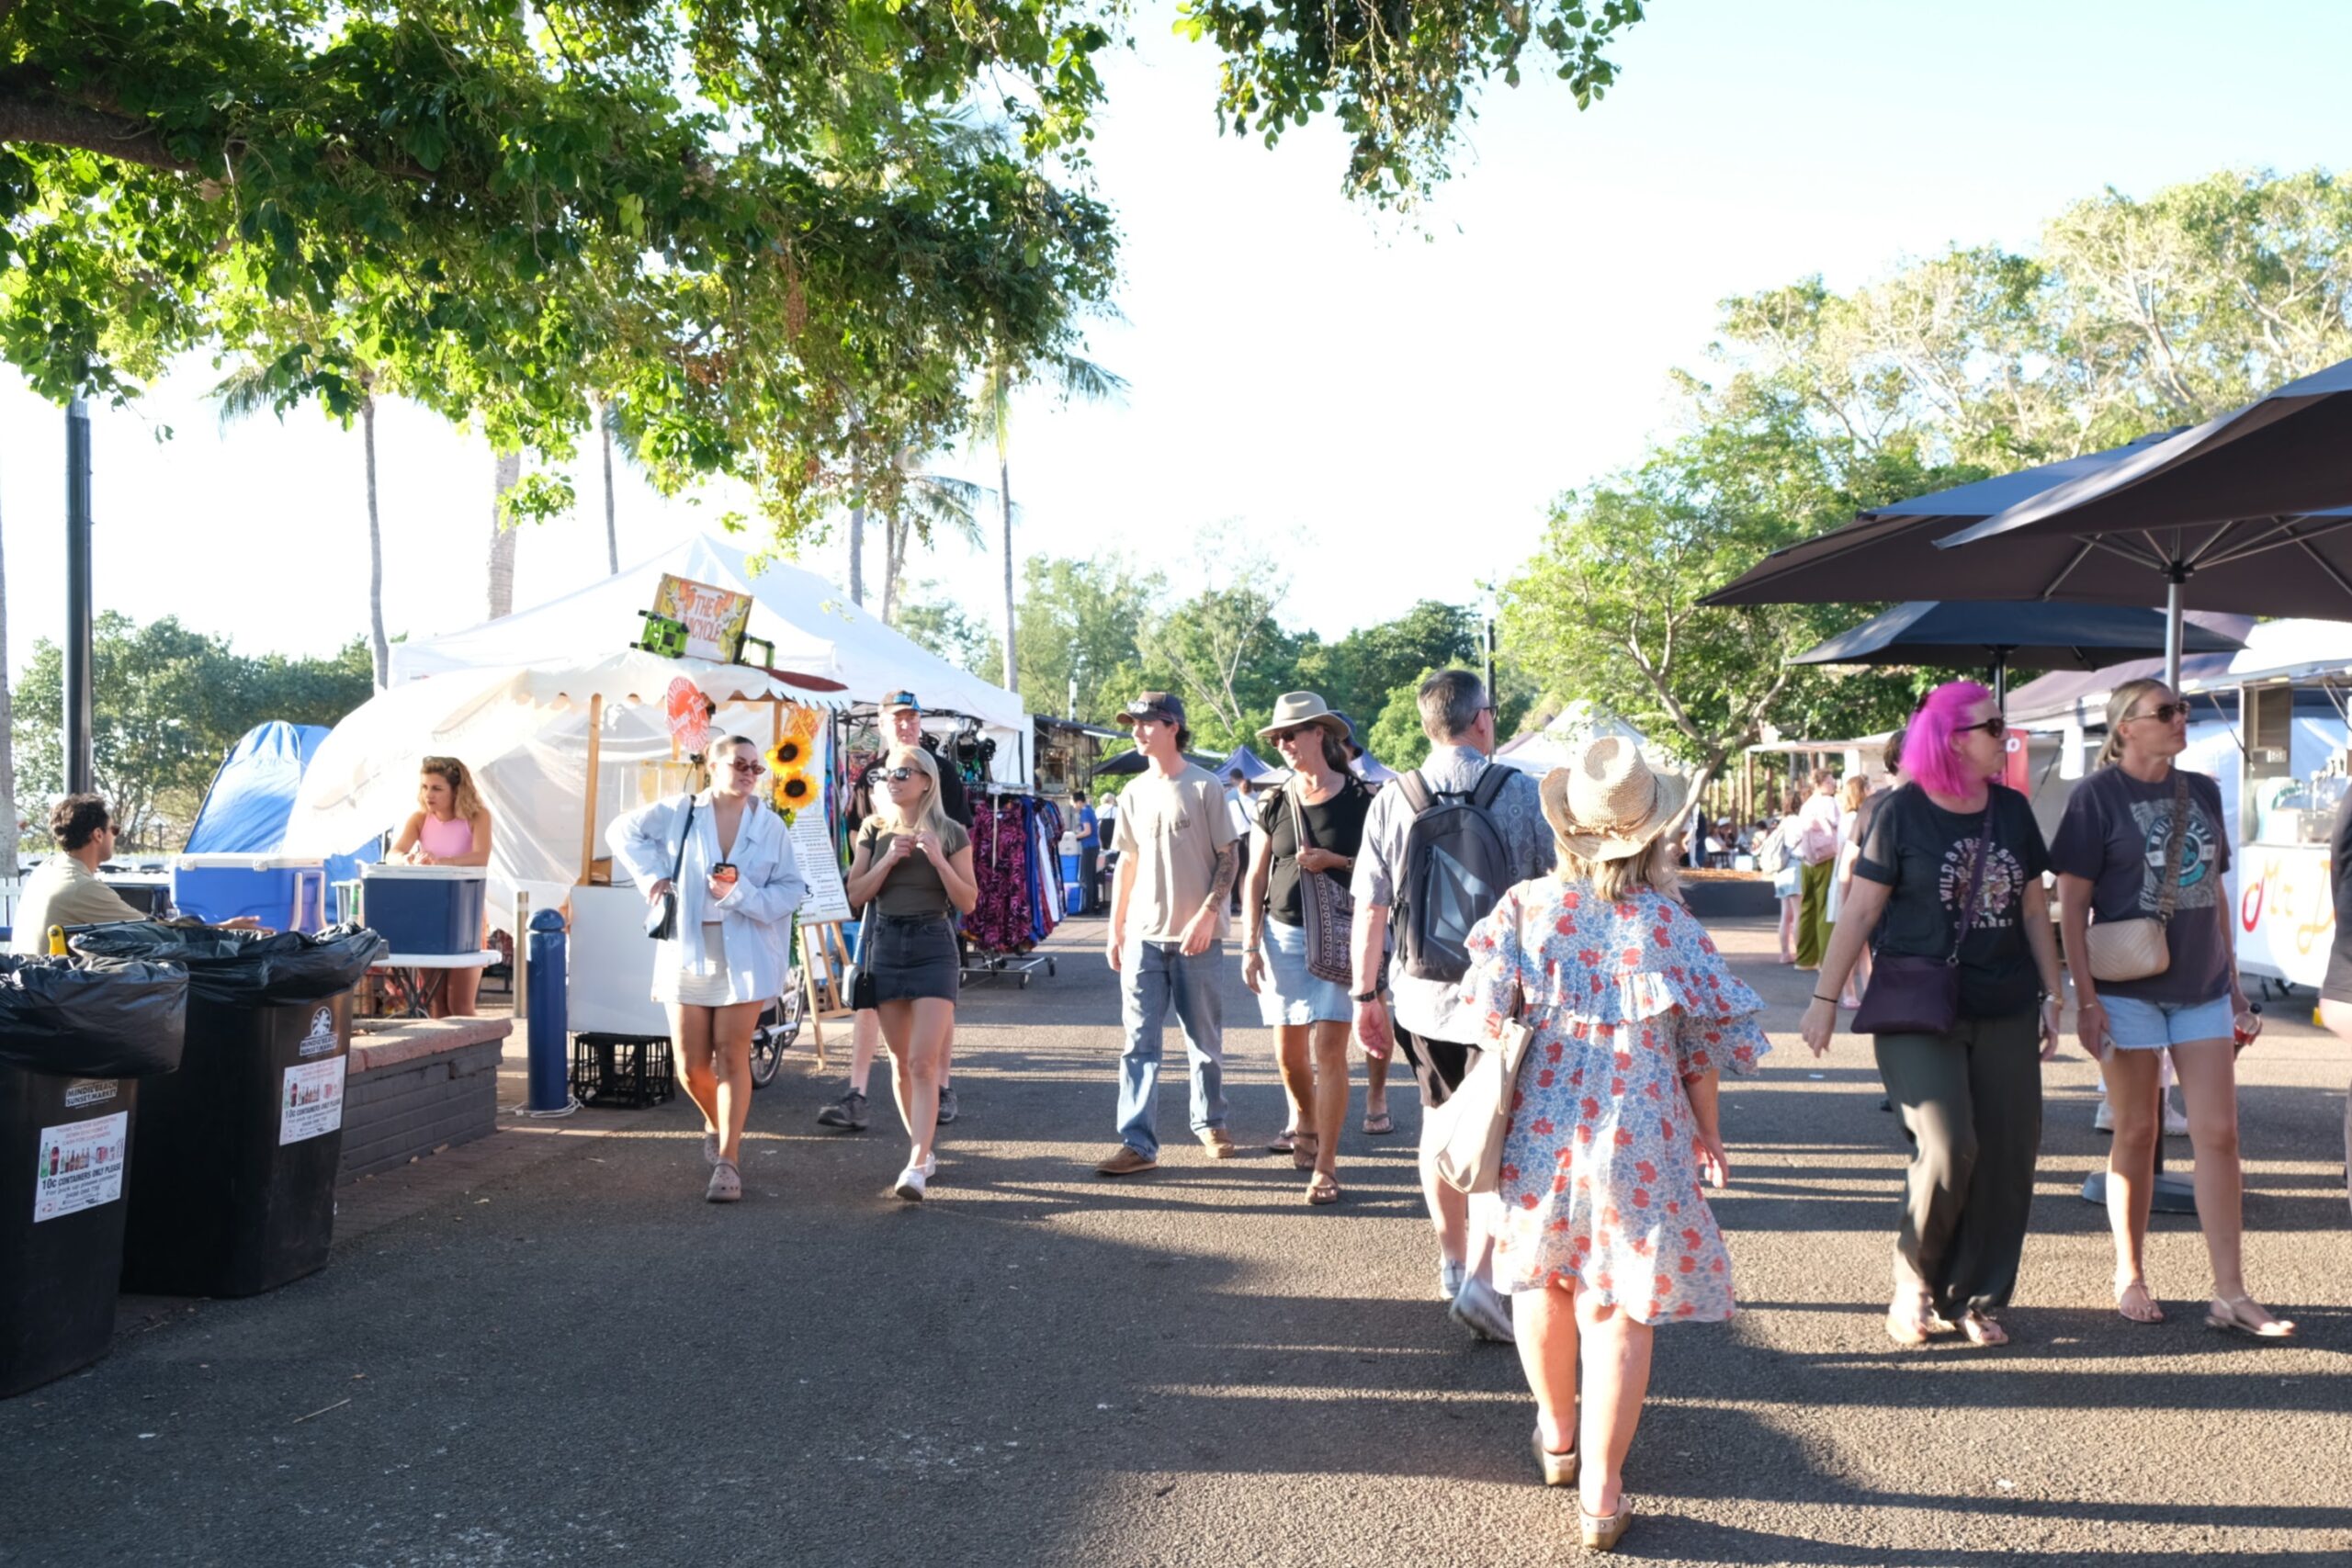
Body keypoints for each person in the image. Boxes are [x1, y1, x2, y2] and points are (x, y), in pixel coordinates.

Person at [1465, 739, 1768, 1552]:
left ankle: (1557, 1438)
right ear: (1651, 834)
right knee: (1619, 1307)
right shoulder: (1670, 923)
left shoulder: (1525, 907)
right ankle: (1602, 1491)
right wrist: (1710, 1134)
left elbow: (1482, 1014)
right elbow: (1702, 1050)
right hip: (1643, 1131)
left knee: (1543, 1282)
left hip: (1542, 1127)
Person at [1802, 682, 2064, 1348]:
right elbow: (1859, 911)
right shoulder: (1900, 813)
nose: (2004, 735)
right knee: (1948, 1146)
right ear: (1951, 738)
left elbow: (2034, 907)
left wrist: (2054, 992)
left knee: (2007, 1155)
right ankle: (1913, 1280)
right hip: (1919, 1002)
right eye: (1991, 725)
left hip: (2006, 1001)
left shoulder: (2011, 809)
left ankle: (1973, 1295)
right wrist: (1824, 1000)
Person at [2051, 678, 2294, 1338]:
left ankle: (2231, 1292)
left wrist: (2237, 986)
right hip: (2126, 987)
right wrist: (2085, 999)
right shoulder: (2095, 797)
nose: (2181, 718)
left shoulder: (2204, 790)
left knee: (2219, 1132)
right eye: (2167, 711)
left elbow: (2213, 894)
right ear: (2125, 726)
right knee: (2136, 1131)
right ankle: (2129, 1272)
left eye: (2182, 709)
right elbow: (2072, 904)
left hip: (2204, 985)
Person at [1351, 669, 1555, 1343]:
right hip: (1507, 996)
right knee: (1504, 1137)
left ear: (1427, 724)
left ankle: (1452, 1258)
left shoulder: (1394, 797)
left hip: (1422, 993)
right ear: (1483, 720)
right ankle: (1486, 1279)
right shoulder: (1520, 793)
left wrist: (1364, 994)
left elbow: (1372, 906)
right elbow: (1553, 895)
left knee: (1438, 1122)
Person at [610, 735, 807, 1202]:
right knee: (690, 1065)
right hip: (687, 945)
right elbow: (621, 831)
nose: (749, 774)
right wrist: (654, 875)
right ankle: (719, 1124)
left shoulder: (771, 825)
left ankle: (728, 1159)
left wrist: (741, 896)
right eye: (739, 763)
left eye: (757, 768)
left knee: (731, 1053)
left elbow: (791, 889)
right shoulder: (682, 812)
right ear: (713, 765)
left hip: (748, 950)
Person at [1097, 692, 1243, 1174]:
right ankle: (1137, 1143)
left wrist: (1207, 915)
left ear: (1173, 727)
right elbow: (1127, 863)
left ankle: (1211, 1121)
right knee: (1139, 1043)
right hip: (1143, 936)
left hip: (1196, 937)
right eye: (1133, 723)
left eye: (1146, 723)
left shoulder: (1205, 787)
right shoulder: (1133, 791)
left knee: (1204, 1040)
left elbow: (1229, 857)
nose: (1137, 731)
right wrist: (1115, 930)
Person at [819, 692, 976, 1133]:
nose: (906, 724)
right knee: (869, 993)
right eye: (898, 718)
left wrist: (939, 864)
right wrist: (879, 864)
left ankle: (941, 1085)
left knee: (936, 999)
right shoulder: (869, 774)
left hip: (934, 907)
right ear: (882, 723)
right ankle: (857, 1091)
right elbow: (857, 836)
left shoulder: (940, 768)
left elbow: (960, 834)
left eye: (913, 717)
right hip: (882, 904)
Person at [1239, 692, 1374, 1205]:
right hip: (1280, 936)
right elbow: (1253, 878)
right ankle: (1307, 1123)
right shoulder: (1272, 801)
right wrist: (1248, 944)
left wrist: (1334, 861)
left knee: (1330, 1052)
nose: (1284, 744)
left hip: (1342, 935)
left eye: (1292, 735)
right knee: (1288, 1056)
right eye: (1277, 738)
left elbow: (1382, 873)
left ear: (1320, 733)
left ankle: (1326, 1163)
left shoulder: (1362, 799)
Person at [843, 744, 979, 1201]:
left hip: (933, 945)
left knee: (924, 1061)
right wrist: (887, 860)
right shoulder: (872, 828)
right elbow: (857, 894)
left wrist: (938, 859)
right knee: (901, 1063)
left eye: (904, 771)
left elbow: (968, 901)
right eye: (887, 773)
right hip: (886, 944)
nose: (892, 779)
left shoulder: (952, 831)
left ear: (927, 781)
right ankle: (922, 1153)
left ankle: (916, 1164)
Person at [388, 755, 496, 1016]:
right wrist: (408, 859)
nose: (428, 795)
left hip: (466, 917)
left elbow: (481, 857)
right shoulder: (419, 819)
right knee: (435, 1003)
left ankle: (475, 1057)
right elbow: (393, 854)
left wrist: (442, 862)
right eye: (425, 787)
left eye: (437, 788)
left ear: (457, 790)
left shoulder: (478, 816)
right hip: (428, 916)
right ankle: (443, 1057)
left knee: (460, 1005)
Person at [1330, 709, 1396, 1133]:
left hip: (1368, 909)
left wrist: (1332, 860)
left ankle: (1376, 1095)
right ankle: (1306, 1114)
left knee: (1374, 1002)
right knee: (1321, 1022)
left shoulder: (1374, 789)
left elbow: (1384, 865)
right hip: (1312, 914)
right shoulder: (1299, 789)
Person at [13, 795, 156, 952]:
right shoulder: (80, 886)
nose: (115, 836)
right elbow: (153, 931)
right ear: (98, 834)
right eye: (114, 830)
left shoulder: (48, 867)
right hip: (55, 974)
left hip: (25, 971)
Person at [1826, 773, 1871, 1009]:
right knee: (1852, 942)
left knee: (1861, 944)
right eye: (1869, 786)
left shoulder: (1850, 817)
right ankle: (1850, 993)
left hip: (1849, 883)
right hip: (1851, 883)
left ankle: (1861, 991)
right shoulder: (1856, 818)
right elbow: (1849, 859)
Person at [1792, 769, 1842, 969]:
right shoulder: (1829, 803)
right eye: (1830, 781)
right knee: (1826, 908)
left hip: (1807, 860)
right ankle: (1825, 959)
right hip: (1827, 858)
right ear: (1821, 783)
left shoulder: (1808, 804)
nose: (1833, 784)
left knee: (1808, 907)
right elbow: (1838, 825)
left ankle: (1804, 958)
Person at [1761, 789, 1805, 964]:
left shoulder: (1782, 822)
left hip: (1781, 869)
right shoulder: (1798, 822)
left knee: (1785, 915)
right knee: (1798, 914)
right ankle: (1801, 952)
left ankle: (1785, 953)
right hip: (1795, 867)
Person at [1072, 791, 1101, 911]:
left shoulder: (1084, 812)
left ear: (1079, 802)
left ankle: (1088, 906)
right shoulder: (1090, 809)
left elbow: (1087, 831)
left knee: (1087, 877)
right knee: (1093, 876)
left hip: (1088, 846)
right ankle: (1095, 904)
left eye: (1073, 803)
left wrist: (1075, 836)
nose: (1073, 806)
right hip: (1095, 846)